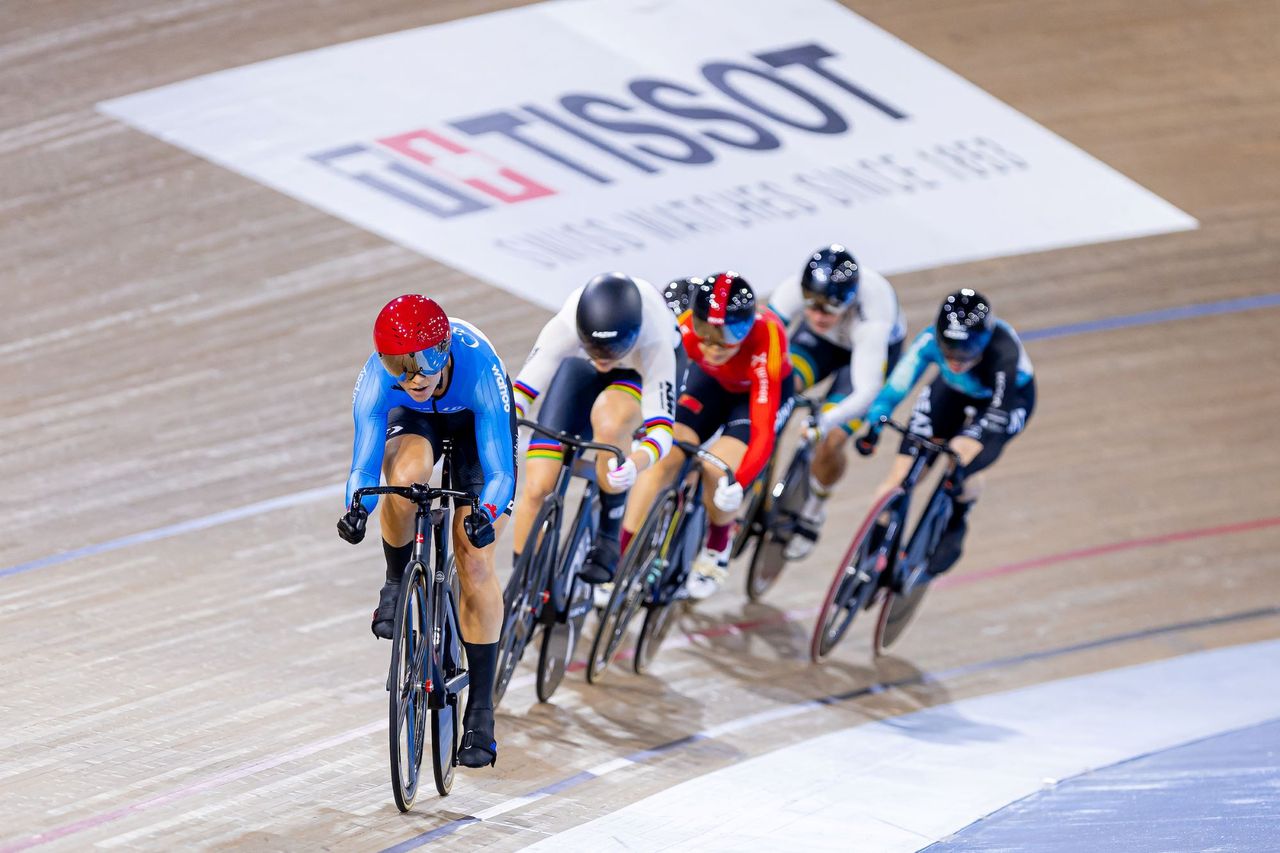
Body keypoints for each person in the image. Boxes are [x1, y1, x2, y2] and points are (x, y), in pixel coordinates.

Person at [336, 294, 516, 770]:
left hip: (476, 425)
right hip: (419, 426)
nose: (409, 379)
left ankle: (480, 711)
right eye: (398, 368)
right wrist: (358, 507)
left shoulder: (479, 370)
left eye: (417, 367)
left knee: (474, 558)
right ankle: (397, 583)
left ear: (440, 352)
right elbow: (364, 464)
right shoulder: (383, 379)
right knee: (400, 480)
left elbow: (500, 472)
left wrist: (487, 513)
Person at [622, 272, 793, 600]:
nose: (715, 345)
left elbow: (762, 432)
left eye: (730, 333)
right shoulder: (684, 328)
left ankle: (717, 545)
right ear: (694, 320)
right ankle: (621, 557)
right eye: (706, 331)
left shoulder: (767, 337)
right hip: (712, 384)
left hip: (754, 397)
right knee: (663, 457)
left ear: (747, 326)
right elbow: (655, 382)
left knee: (718, 470)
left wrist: (739, 482)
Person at [510, 272, 680, 585]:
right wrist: (508, 427)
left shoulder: (655, 340)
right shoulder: (568, 322)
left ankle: (608, 536)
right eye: (594, 347)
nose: (603, 358)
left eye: (611, 350)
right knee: (536, 487)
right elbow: (521, 392)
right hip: (580, 368)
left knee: (611, 424)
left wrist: (636, 462)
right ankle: (521, 586)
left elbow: (662, 430)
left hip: (635, 373)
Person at [858, 288, 1035, 575]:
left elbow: (999, 411)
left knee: (961, 456)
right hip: (953, 390)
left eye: (966, 351)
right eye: (948, 348)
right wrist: (876, 422)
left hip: (1004, 401)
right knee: (898, 478)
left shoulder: (1003, 349)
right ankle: (867, 562)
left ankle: (956, 520)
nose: (955, 357)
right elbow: (897, 386)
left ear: (984, 341)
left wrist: (965, 450)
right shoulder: (928, 341)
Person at [766, 244, 907, 559]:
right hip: (819, 345)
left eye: (828, 309)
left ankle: (814, 509)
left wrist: (825, 421)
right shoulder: (792, 291)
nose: (817, 315)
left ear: (850, 301)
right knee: (777, 386)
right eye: (811, 307)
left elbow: (866, 391)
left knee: (831, 440)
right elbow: (761, 343)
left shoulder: (874, 316)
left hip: (866, 356)